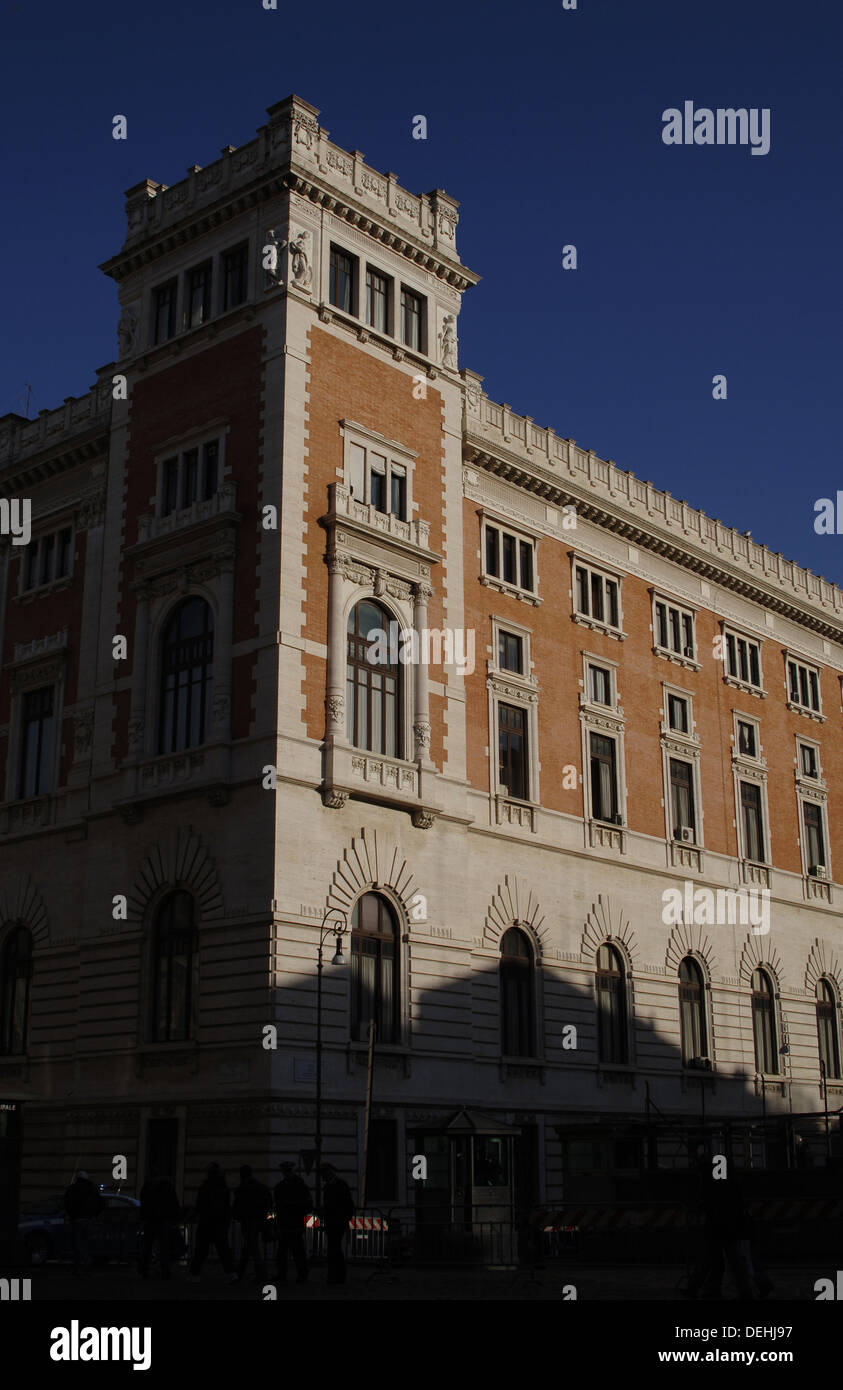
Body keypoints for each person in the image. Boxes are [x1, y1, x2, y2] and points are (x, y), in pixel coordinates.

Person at [187, 1163, 236, 1283]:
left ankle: (195, 1274)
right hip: (219, 1223)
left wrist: (193, 1215)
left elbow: (199, 1205)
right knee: (223, 1250)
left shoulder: (205, 1187)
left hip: (206, 1222)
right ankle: (231, 1273)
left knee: (201, 1250)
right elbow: (226, 1208)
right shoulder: (223, 1188)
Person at [138, 1170, 181, 1280]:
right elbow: (173, 1203)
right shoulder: (167, 1186)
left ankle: (143, 1270)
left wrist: (144, 1217)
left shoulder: (148, 1185)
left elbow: (143, 1202)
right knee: (164, 1247)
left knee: (147, 1246)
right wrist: (175, 1218)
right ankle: (165, 1271)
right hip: (163, 1220)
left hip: (150, 1219)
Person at [232, 1165, 271, 1282]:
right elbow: (269, 1201)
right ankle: (240, 1272)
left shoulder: (242, 1188)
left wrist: (237, 1216)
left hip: (248, 1220)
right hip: (258, 1220)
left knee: (252, 1248)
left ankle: (260, 1274)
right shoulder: (260, 1187)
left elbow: (237, 1206)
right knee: (249, 1247)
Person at [274, 1162, 312, 1283]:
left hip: (290, 1222)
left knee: (291, 1251)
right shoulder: (299, 1185)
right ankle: (299, 1275)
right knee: (294, 1251)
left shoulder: (282, 1186)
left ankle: (287, 1275)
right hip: (292, 1222)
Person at [320, 1163, 354, 1286]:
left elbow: (348, 1205)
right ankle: (335, 1276)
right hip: (332, 1222)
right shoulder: (329, 1186)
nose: (322, 1177)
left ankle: (337, 1276)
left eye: (323, 1173)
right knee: (334, 1249)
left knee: (334, 1249)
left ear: (328, 1173)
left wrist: (344, 1219)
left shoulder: (340, 1185)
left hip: (338, 1222)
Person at [63, 1170, 103, 1275]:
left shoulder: (72, 1189)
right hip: (88, 1220)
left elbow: (67, 1203)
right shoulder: (93, 1189)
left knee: (76, 1244)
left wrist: (70, 1214)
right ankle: (81, 1267)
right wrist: (95, 1215)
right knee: (84, 1243)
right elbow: (101, 1203)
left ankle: (80, 1264)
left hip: (76, 1219)